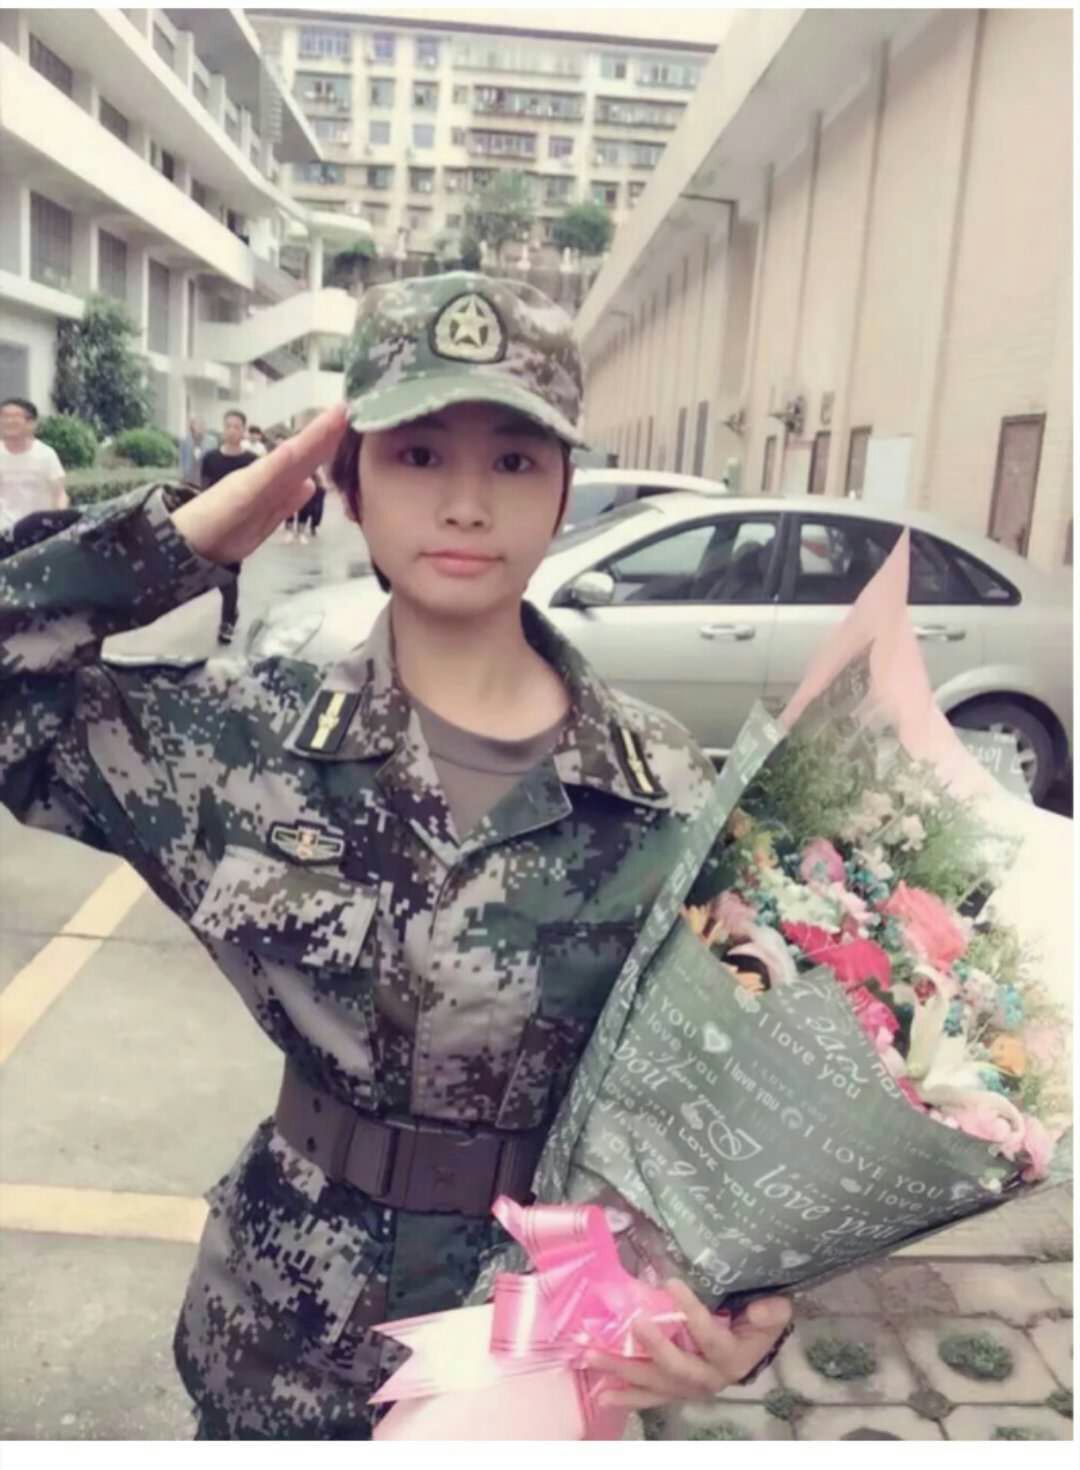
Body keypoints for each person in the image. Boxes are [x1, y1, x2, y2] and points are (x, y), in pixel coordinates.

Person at [0, 272, 791, 1440]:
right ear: (348, 482)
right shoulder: (238, 741)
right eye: (419, 456)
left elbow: (745, 1088)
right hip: (282, 1348)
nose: (466, 504)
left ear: (563, 491)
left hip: (539, 1355)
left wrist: (742, 1310)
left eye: (514, 460)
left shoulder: (663, 783)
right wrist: (186, 534)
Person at [200, 410, 258, 645]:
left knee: (229, 572)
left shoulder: (251, 460)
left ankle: (227, 622)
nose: (232, 430)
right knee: (214, 572)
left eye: (237, 426)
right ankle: (232, 611)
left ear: (243, 431)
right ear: (223, 429)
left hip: (238, 525)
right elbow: (202, 490)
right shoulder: (210, 458)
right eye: (228, 426)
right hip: (213, 522)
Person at [0, 396, 68, 533]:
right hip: (4, 532)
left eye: (15, 417)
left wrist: (59, 524)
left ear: (31, 423)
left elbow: (59, 494)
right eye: (4, 416)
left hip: (38, 531)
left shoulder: (46, 455)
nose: (8, 421)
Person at [178, 416, 217, 486]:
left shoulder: (212, 441)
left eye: (202, 424)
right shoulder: (185, 441)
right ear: (192, 427)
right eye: (198, 425)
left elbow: (214, 460)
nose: (201, 427)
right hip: (189, 477)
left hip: (205, 478)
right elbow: (182, 459)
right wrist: (181, 475)